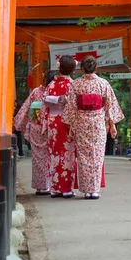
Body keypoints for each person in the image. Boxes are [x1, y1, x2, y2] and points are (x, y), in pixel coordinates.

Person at [63, 55, 124, 200]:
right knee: (97, 155)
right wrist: (112, 124)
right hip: (98, 122)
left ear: (82, 68)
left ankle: (86, 190)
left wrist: (71, 126)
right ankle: (94, 190)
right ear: (95, 68)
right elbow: (110, 105)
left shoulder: (76, 84)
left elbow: (71, 108)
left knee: (83, 156)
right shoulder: (103, 83)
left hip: (81, 122)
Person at [13, 71, 57, 195]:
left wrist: (19, 124)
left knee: (38, 158)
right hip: (51, 126)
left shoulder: (36, 91)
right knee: (50, 157)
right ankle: (50, 184)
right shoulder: (56, 91)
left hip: (36, 127)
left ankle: (41, 186)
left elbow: (26, 107)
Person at [41, 55, 76, 199]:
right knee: (68, 154)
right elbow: (74, 104)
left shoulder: (51, 85)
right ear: (73, 69)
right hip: (67, 122)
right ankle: (66, 188)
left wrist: (54, 100)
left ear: (58, 67)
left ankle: (55, 188)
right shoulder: (72, 85)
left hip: (53, 122)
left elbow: (44, 100)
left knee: (54, 153)